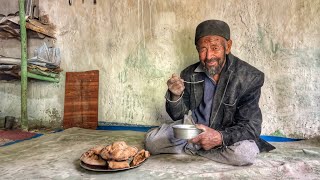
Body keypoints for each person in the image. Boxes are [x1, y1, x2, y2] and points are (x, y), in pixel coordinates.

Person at [145, 20, 275, 166]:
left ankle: (195, 149)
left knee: (244, 153)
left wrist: (219, 137)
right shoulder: (189, 73)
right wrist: (175, 95)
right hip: (194, 131)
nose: (208, 56)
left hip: (226, 135)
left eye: (214, 48)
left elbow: (251, 127)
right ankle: (204, 149)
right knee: (152, 142)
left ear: (228, 47)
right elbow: (178, 116)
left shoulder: (250, 76)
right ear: (197, 49)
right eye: (203, 49)